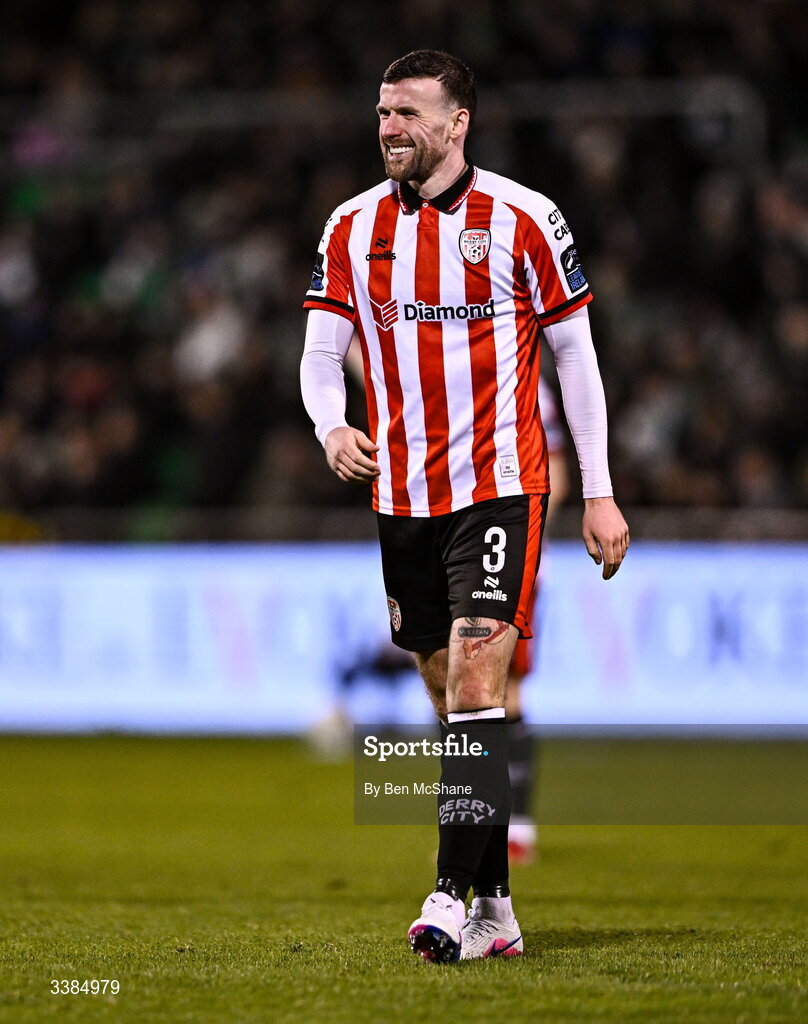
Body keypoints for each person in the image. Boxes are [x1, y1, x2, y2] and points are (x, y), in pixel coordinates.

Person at [300, 49, 629, 963]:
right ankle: (497, 911)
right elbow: (321, 355)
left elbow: (577, 361)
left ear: (458, 123)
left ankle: (446, 897)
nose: (390, 128)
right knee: (451, 699)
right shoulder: (350, 227)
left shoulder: (526, 217)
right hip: (404, 498)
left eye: (409, 113)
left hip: (501, 485)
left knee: (484, 686)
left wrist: (596, 492)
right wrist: (332, 426)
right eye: (382, 113)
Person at [506, 376, 569, 867]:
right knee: (452, 691)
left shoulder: (529, 387)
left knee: (505, 693)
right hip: (444, 552)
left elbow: (558, 475)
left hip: (512, 560)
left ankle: (517, 828)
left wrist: (518, 545)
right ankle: (469, 821)